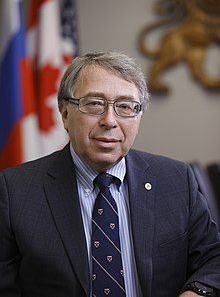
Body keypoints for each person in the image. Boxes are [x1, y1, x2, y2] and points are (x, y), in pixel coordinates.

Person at [0, 51, 220, 297]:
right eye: (95, 104)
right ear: (64, 113)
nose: (109, 121)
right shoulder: (15, 191)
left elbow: (213, 257)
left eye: (125, 107)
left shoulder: (176, 179)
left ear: (138, 117)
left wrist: (196, 292)